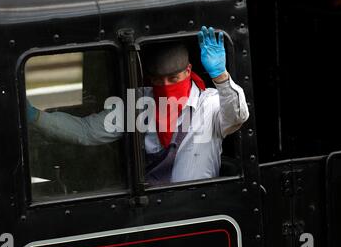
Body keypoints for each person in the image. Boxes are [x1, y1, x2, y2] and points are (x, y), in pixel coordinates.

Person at [26, 26, 249, 185]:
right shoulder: (140, 104)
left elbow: (237, 116)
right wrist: (36, 117)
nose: (166, 86)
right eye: (158, 80)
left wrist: (220, 76)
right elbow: (87, 131)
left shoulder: (209, 104)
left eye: (174, 79)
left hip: (195, 208)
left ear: (189, 71)